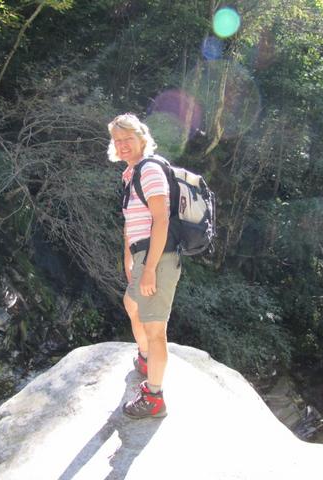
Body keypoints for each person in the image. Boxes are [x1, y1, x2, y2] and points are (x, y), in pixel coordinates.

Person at [107, 113, 182, 419]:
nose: (122, 145)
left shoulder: (149, 170)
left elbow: (161, 220)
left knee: (155, 329)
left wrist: (149, 268)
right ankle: (147, 359)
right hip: (144, 255)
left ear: (142, 139)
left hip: (158, 257)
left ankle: (154, 397)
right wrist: (129, 257)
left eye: (128, 138)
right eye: (117, 140)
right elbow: (132, 224)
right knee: (132, 303)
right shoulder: (131, 174)